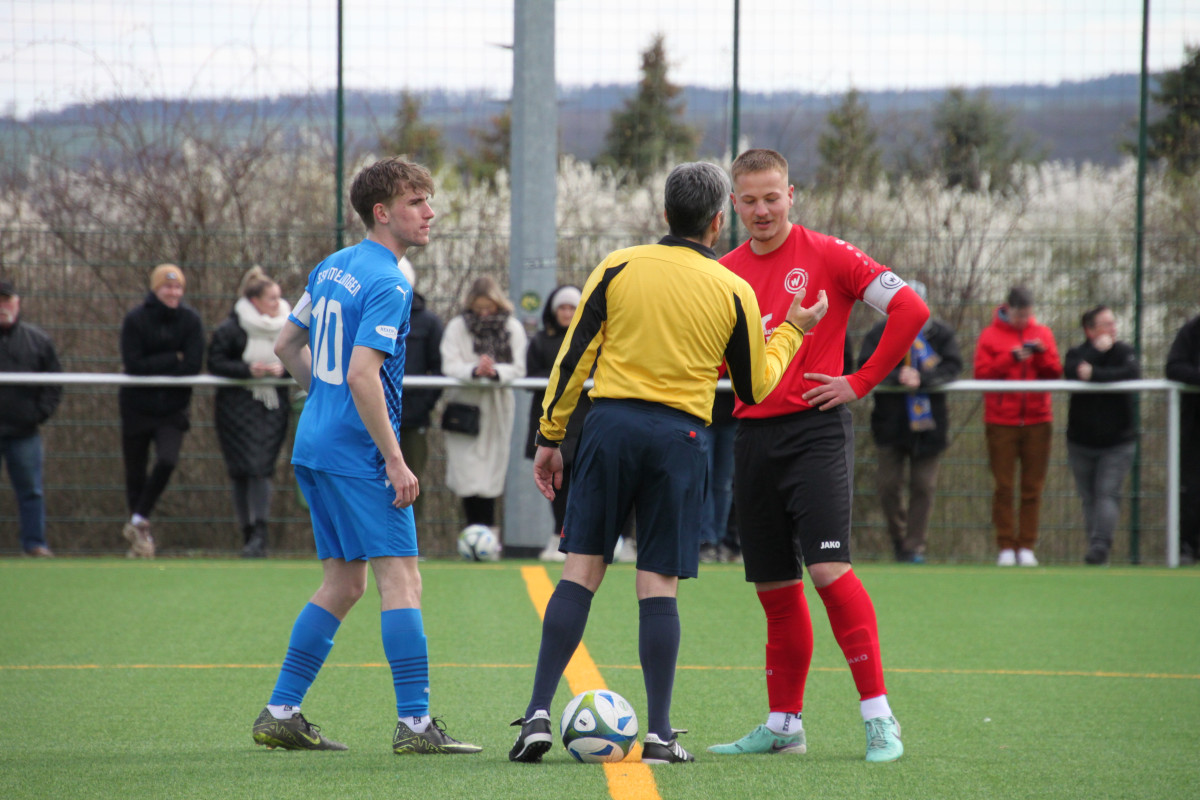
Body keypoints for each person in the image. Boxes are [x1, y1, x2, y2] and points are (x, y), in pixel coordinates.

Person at [509, 160, 828, 766]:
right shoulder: (733, 288)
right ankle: (658, 735)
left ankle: (536, 716)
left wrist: (550, 436)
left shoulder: (618, 266)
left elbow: (574, 359)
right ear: (718, 221)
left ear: (664, 214)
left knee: (580, 571)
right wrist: (790, 329)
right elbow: (755, 387)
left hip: (608, 428)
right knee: (657, 584)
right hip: (679, 438)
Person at [253, 157, 479, 754]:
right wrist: (396, 460)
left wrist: (324, 403)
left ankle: (281, 711)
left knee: (343, 582)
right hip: (357, 454)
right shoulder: (391, 281)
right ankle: (416, 725)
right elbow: (360, 374)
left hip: (314, 444)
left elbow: (286, 343)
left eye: (428, 201)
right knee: (402, 579)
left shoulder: (332, 265)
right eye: (415, 203)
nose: (430, 213)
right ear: (382, 213)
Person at [709, 148, 928, 764]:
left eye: (771, 197)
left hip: (816, 433)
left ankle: (880, 719)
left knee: (829, 571)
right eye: (749, 200)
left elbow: (911, 308)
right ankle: (784, 725)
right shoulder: (723, 273)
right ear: (733, 204)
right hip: (752, 438)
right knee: (776, 588)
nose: (761, 210)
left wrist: (859, 382)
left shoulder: (830, 254)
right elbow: (712, 359)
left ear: (791, 195)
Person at [858, 280, 963, 563]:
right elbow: (865, 365)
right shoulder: (879, 333)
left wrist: (923, 379)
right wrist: (897, 378)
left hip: (930, 428)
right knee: (888, 486)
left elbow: (953, 366)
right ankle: (899, 541)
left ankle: (914, 547)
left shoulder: (940, 334)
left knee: (923, 486)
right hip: (890, 425)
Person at [119, 263, 205, 559]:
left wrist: (158, 363)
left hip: (173, 409)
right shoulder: (135, 320)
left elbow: (192, 365)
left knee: (167, 460)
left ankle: (138, 518)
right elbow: (134, 365)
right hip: (136, 407)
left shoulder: (191, 321)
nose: (173, 292)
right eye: (168, 287)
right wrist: (172, 358)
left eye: (178, 287)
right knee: (135, 473)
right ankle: (139, 540)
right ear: (156, 289)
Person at [974, 286, 1062, 567]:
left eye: (1028, 315)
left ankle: (1026, 546)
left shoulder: (1043, 333)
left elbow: (1054, 371)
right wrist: (1009, 358)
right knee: (1003, 486)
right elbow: (981, 374)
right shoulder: (990, 335)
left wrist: (1040, 354)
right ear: (1008, 309)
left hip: (1038, 418)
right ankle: (1005, 546)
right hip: (1001, 420)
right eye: (1019, 315)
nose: (1024, 320)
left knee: (1032, 487)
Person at [208, 266, 292, 558]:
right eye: (271, 298)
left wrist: (283, 371)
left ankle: (260, 532)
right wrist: (247, 370)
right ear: (255, 301)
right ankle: (248, 534)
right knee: (240, 471)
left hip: (273, 407)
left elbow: (300, 360)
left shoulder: (288, 327)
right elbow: (215, 362)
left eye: (279, 297)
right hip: (235, 407)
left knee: (261, 468)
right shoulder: (231, 328)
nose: (277, 303)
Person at [440, 275, 527, 537]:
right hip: (464, 405)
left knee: (492, 471)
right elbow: (450, 364)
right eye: (479, 308)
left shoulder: (512, 327)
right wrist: (474, 370)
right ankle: (472, 533)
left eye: (489, 308)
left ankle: (487, 535)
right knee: (466, 473)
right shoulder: (457, 327)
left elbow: (519, 367)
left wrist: (495, 371)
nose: (484, 313)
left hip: (497, 405)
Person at [1064, 306, 1140, 566]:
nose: (1113, 329)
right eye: (1106, 324)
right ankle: (1097, 553)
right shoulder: (1077, 353)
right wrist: (1096, 353)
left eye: (1113, 323)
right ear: (1090, 330)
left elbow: (1131, 373)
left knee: (1107, 493)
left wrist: (1095, 374)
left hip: (1118, 442)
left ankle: (1099, 546)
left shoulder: (1124, 351)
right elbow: (1073, 370)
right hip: (1080, 441)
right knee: (1089, 498)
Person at [0, 279, 63, 557]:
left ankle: (35, 544)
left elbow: (54, 383)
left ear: (17, 303)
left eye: (7, 301)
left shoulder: (38, 340)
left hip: (24, 432)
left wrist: (38, 414)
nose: (2, 307)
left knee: (31, 491)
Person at [524, 284, 584, 562]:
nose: (567, 313)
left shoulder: (591, 339)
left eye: (573, 308)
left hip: (583, 422)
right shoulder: (540, 341)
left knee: (580, 484)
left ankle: (580, 538)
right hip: (550, 423)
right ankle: (558, 535)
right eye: (563, 307)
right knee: (557, 484)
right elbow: (530, 376)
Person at [397, 256, 444, 529]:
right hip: (369, 416)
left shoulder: (429, 322)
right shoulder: (367, 315)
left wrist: (421, 406)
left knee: (411, 479)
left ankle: (409, 542)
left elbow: (439, 371)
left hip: (413, 419)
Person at [1165, 312, 1200, 565]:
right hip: (1193, 428)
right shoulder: (1191, 331)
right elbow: (1174, 368)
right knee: (1191, 489)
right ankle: (1187, 546)